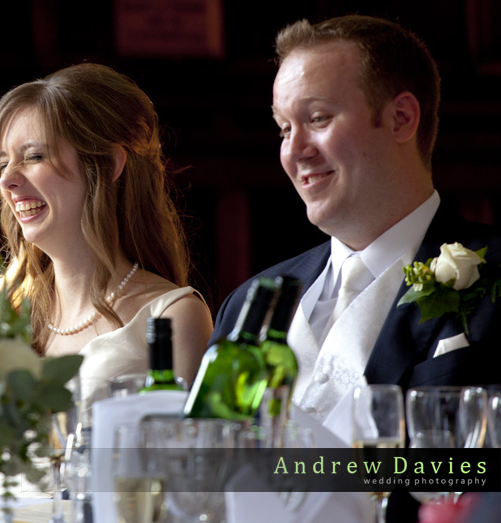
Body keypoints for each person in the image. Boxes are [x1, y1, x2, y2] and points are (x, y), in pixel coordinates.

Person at [211, 15, 501, 522]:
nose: (294, 150)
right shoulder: (250, 301)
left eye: (317, 119)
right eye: (283, 127)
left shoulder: (494, 276)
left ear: (401, 119)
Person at [0, 63, 213, 391]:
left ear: (107, 164)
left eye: (34, 157)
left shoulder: (174, 317)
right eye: (4, 163)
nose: (7, 180)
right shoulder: (2, 311)